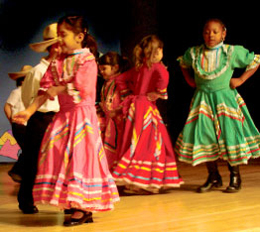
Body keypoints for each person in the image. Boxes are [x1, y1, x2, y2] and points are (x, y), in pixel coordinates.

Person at [13, 15, 120, 227]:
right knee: (60, 156)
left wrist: (59, 88)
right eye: (59, 35)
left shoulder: (87, 60)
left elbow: (84, 88)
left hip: (82, 116)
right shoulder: (58, 62)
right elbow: (45, 91)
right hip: (64, 117)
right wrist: (29, 111)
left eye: (63, 35)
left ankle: (82, 208)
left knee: (80, 158)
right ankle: (73, 202)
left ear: (79, 37)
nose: (60, 40)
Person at [175, 18, 260, 193]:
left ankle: (235, 176)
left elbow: (254, 61)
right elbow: (182, 63)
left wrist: (241, 79)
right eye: (207, 32)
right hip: (203, 100)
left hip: (224, 100)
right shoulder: (195, 53)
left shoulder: (231, 52)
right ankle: (213, 176)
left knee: (229, 135)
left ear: (223, 33)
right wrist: (190, 80)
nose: (210, 35)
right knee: (205, 136)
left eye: (215, 31)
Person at [112, 35, 183, 194]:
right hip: (146, 109)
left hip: (134, 108)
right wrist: (158, 93)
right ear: (157, 52)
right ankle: (144, 180)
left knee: (135, 141)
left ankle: (135, 181)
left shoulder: (139, 67)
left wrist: (128, 93)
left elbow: (120, 79)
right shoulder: (157, 67)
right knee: (149, 143)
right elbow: (164, 78)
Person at [17, 23, 60, 214]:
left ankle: (65, 200)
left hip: (60, 118)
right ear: (54, 47)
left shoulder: (66, 68)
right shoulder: (37, 72)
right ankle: (26, 199)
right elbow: (28, 98)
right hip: (41, 118)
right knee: (33, 160)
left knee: (61, 161)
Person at [98, 52, 130, 171]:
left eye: (104, 69)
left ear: (115, 67)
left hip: (119, 121)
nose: (101, 72)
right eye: (100, 69)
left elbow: (127, 100)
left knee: (118, 147)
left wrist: (117, 112)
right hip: (110, 121)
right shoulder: (106, 83)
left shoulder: (120, 82)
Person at [4, 65, 33, 182]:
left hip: (27, 125)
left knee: (30, 149)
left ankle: (21, 173)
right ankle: (17, 171)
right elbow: (7, 107)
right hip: (19, 125)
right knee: (29, 149)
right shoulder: (17, 92)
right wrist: (12, 121)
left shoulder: (30, 93)